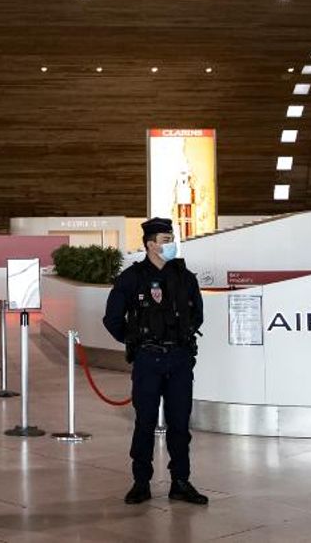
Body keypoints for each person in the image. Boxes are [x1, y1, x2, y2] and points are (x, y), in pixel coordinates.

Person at [102, 216, 208, 506]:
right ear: (150, 245)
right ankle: (140, 482)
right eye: (165, 241)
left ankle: (181, 481)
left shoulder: (185, 277)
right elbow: (112, 319)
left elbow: (197, 313)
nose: (171, 245)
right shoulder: (132, 278)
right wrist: (134, 341)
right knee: (145, 422)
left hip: (179, 360)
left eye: (172, 239)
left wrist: (183, 345)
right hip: (148, 360)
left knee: (179, 424)